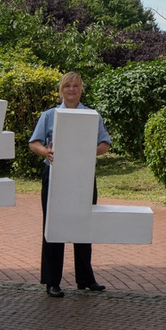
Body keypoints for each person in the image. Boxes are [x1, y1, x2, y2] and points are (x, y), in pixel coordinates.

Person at [29, 72, 111, 298]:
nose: (72, 90)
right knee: (53, 226)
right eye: (68, 86)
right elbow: (33, 142)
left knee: (84, 225)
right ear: (61, 90)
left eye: (76, 86)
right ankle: (52, 281)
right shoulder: (49, 115)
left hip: (83, 176)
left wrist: (88, 153)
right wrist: (46, 151)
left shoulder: (92, 115)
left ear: (81, 89)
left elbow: (105, 144)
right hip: (54, 175)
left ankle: (85, 279)